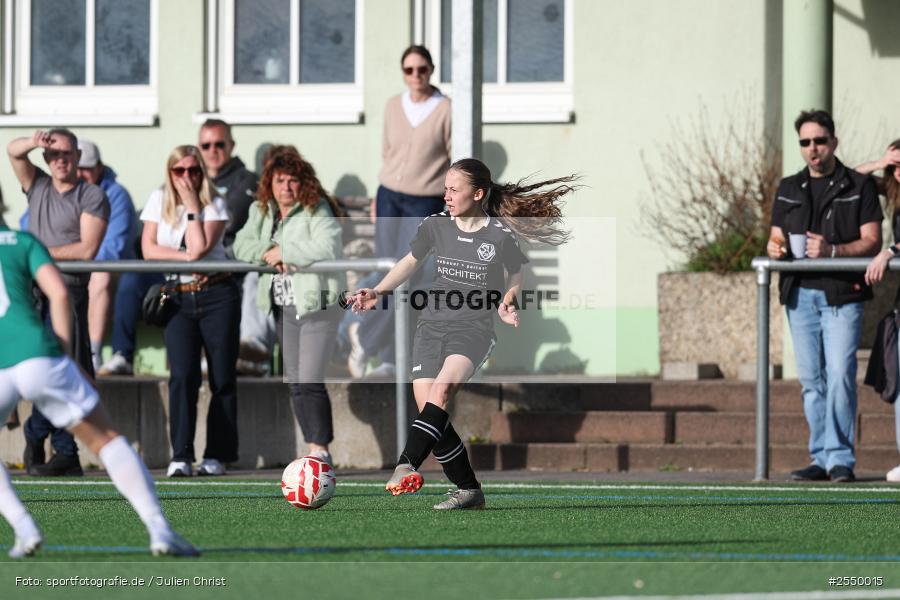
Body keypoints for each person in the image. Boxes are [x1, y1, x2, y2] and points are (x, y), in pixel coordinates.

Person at [349, 158, 575, 509]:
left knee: (440, 393)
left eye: (455, 190)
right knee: (431, 412)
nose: (447, 196)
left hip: (473, 330)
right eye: (446, 189)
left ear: (478, 194)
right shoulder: (435, 225)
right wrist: (378, 291)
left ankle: (405, 464)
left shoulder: (499, 235)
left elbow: (516, 272)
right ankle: (469, 489)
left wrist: (508, 301)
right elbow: (409, 261)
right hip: (431, 327)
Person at [0, 192, 197, 558]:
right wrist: (66, 357)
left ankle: (24, 529)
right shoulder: (24, 242)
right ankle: (159, 529)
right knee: (106, 440)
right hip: (37, 353)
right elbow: (60, 295)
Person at [767, 110, 882, 483]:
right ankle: (820, 456)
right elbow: (776, 236)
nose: (812, 148)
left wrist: (833, 251)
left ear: (833, 141)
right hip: (799, 295)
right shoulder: (789, 187)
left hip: (842, 294)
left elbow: (872, 240)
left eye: (819, 140)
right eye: (805, 142)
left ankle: (840, 459)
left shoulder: (858, 185)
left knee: (839, 375)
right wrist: (774, 248)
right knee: (811, 381)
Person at [7, 129, 109, 477]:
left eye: (66, 153)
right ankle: (64, 450)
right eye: (53, 154)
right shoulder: (37, 186)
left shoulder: (91, 194)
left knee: (62, 370)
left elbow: (86, 249)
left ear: (78, 156)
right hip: (30, 294)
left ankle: (41, 435)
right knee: (43, 369)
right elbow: (13, 151)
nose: (60, 160)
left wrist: (35, 253)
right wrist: (35, 142)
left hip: (66, 294)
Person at [233, 149, 345, 464]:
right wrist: (269, 252)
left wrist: (286, 252)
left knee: (309, 377)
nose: (286, 187)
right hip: (283, 305)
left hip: (317, 305)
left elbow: (328, 246)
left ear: (303, 182)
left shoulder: (316, 207)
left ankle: (320, 449)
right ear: (269, 183)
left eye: (292, 180)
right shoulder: (260, 209)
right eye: (280, 180)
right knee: (295, 380)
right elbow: (240, 246)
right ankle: (313, 448)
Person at [347, 45, 451, 379]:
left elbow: (454, 160)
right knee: (386, 273)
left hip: (425, 200)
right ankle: (389, 359)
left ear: (431, 70)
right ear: (403, 73)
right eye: (409, 70)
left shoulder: (446, 109)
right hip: (389, 197)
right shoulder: (393, 106)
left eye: (422, 69)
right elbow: (388, 153)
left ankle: (365, 338)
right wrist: (378, 199)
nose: (416, 75)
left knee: (408, 273)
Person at [141, 146, 240, 478]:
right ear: (170, 173)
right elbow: (148, 249)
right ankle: (181, 454)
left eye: (194, 170)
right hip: (179, 296)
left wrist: (194, 208)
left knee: (221, 376)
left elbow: (200, 247)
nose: (187, 177)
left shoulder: (215, 202)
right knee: (182, 376)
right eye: (180, 171)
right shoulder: (159, 199)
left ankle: (217, 454)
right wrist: (185, 258)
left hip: (217, 295)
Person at [198, 119, 272, 373]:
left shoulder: (247, 180)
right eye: (206, 145)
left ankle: (252, 351)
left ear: (231, 145)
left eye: (219, 144)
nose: (213, 150)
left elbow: (229, 220)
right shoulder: (191, 177)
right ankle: (209, 357)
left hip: (236, 260)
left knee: (256, 276)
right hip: (199, 259)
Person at [858, 139, 900, 482]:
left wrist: (889, 251)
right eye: (895, 167)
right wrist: (879, 162)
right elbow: (847, 179)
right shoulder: (893, 189)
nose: (899, 172)